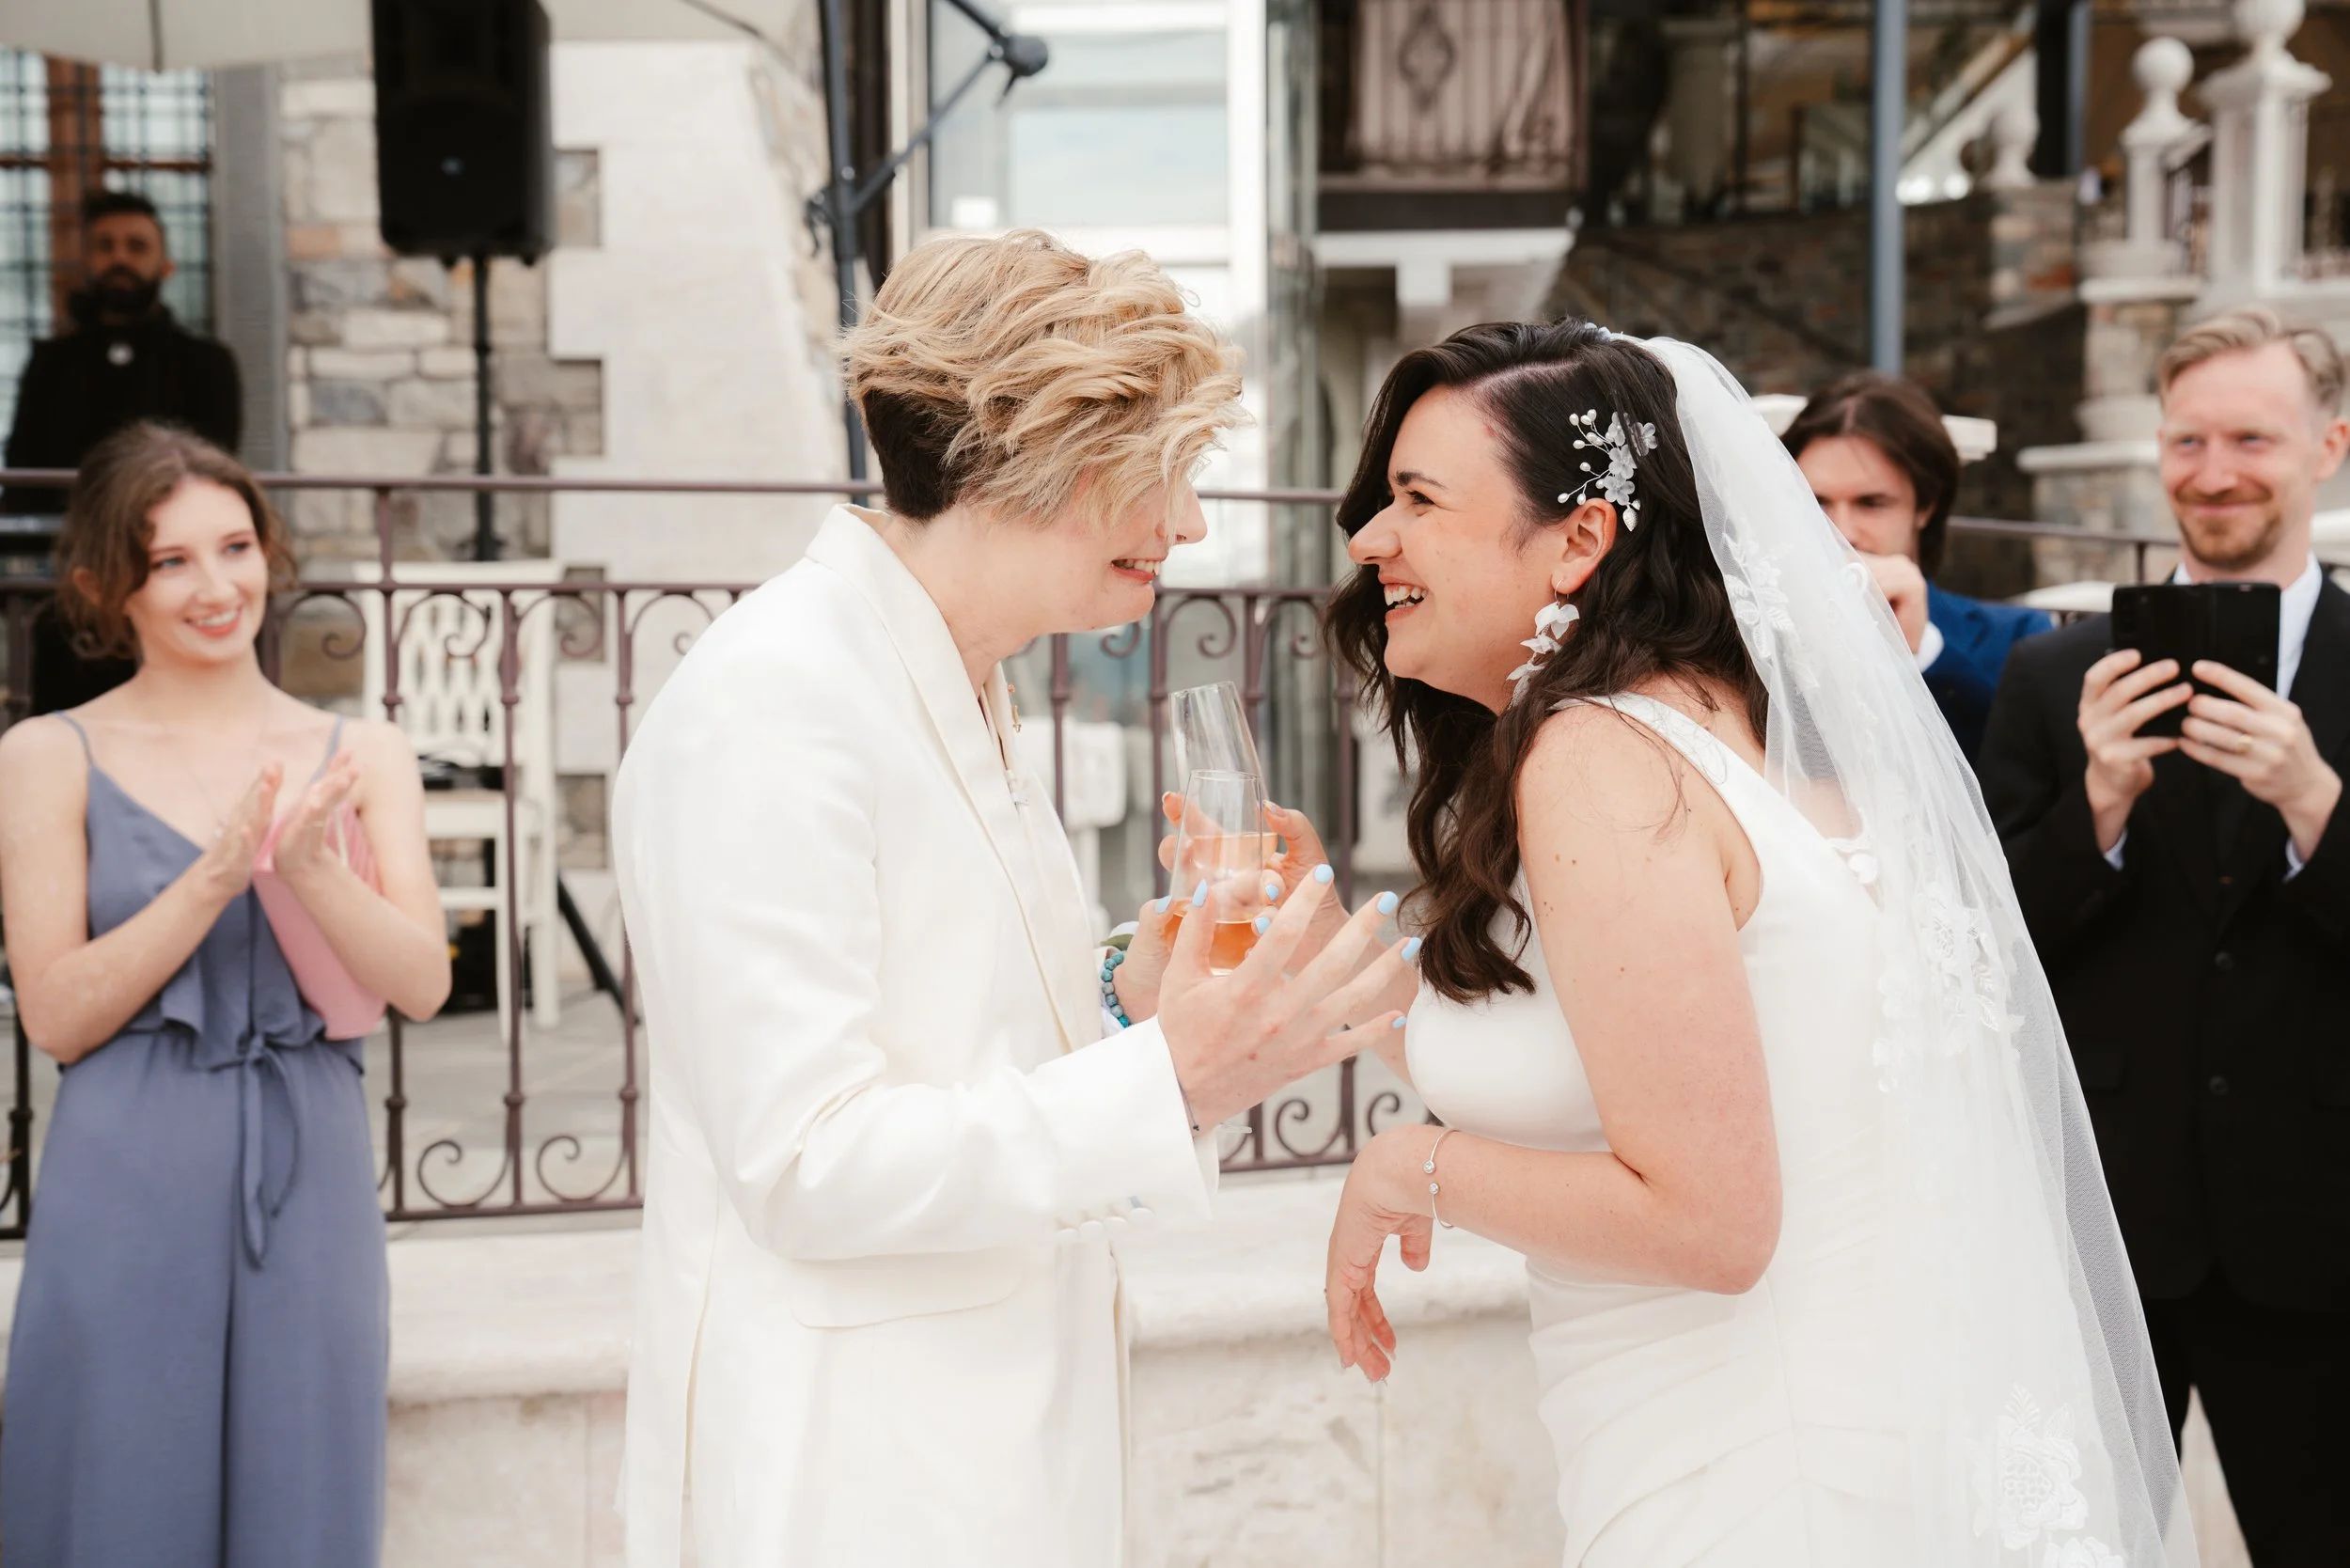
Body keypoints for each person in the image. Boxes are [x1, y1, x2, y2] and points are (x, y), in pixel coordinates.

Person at [1314, 321, 2189, 1565]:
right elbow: (1644, 1048)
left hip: (1757, 1479)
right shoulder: (1739, 736)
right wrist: (1322, 967)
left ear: (1578, 540)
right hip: (1837, 1440)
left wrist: (1408, 1167)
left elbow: (1710, 1223)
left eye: (1418, 499)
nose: (1369, 539)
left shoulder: (1599, 760)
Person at [609, 230, 1414, 1568]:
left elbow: (953, 1047)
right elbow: (804, 1162)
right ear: (1027, 454)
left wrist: (1132, 1003)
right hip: (852, 1473)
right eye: (1162, 470)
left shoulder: (954, 675)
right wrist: (1172, 1081)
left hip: (996, 1438)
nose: (1189, 526)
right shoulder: (774, 706)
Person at [0, 423, 449, 1566]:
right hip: (126, 1170)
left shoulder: (365, 751)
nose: (216, 587)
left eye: (235, 547)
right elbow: (55, 1013)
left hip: (310, 1170)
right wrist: (211, 879)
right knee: (121, 1491)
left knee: (305, 1494)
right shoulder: (48, 753)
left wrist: (307, 871)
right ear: (105, 586)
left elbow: (422, 983)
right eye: (171, 561)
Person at [1979, 305, 2350, 1563]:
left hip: (2317, 1230)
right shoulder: (2053, 678)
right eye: (2187, 439)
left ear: (2327, 448)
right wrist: (2095, 807)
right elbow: (1990, 949)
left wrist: (2316, 803)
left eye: (2251, 438)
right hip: (2103, 1224)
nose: (2213, 471)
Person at [7, 190, 245, 713]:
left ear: (166, 265)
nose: (120, 258)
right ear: (86, 262)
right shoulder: (53, 363)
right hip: (72, 588)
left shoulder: (206, 363)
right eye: (106, 246)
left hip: (174, 580)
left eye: (136, 246)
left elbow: (213, 467)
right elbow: (25, 466)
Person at [1783, 371, 2051, 761]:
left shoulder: (2017, 638)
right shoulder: (1747, 635)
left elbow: (2019, 777)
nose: (1841, 531)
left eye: (1871, 503)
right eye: (1816, 502)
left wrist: (1922, 650)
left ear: (1925, 506)